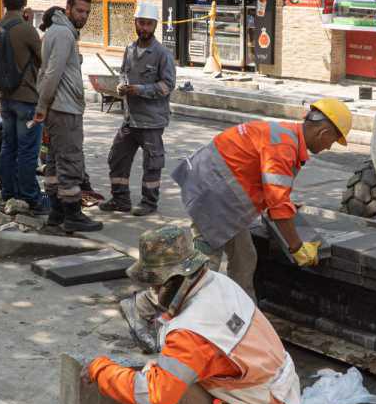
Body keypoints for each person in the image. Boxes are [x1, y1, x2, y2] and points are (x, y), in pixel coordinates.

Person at [84, 225, 302, 404]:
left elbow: (155, 395)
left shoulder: (191, 332)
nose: (153, 289)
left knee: (160, 387)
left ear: (173, 279)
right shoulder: (220, 284)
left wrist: (101, 370)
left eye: (155, 283)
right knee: (184, 378)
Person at [120, 100, 351, 352]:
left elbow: (272, 191)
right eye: (332, 141)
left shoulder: (286, 137)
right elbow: (277, 205)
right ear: (323, 132)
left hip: (223, 196)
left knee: (244, 257)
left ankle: (244, 322)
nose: (329, 146)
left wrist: (280, 204)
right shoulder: (283, 146)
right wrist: (297, 247)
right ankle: (143, 308)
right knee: (201, 270)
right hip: (214, 196)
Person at [34, 0, 102, 233]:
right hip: (64, 109)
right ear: (68, 8)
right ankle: (72, 214)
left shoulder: (55, 31)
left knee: (54, 162)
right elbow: (52, 73)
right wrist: (42, 105)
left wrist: (44, 105)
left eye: (87, 12)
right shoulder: (63, 34)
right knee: (70, 161)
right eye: (79, 11)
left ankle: (56, 212)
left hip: (56, 107)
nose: (83, 16)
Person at [99, 2, 175, 217]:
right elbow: (123, 73)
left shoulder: (162, 54)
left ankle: (149, 203)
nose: (144, 28)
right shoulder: (130, 50)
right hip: (130, 119)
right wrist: (121, 86)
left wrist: (139, 89)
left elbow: (167, 86)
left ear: (155, 25)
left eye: (148, 24)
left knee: (152, 163)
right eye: (141, 23)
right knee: (117, 157)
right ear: (135, 23)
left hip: (151, 121)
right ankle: (120, 199)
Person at [0, 0, 48, 213]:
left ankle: (9, 192)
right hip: (26, 100)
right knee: (27, 151)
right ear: (24, 1)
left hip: (5, 97)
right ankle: (30, 197)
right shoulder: (26, 29)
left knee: (9, 147)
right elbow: (43, 58)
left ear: (4, 1)